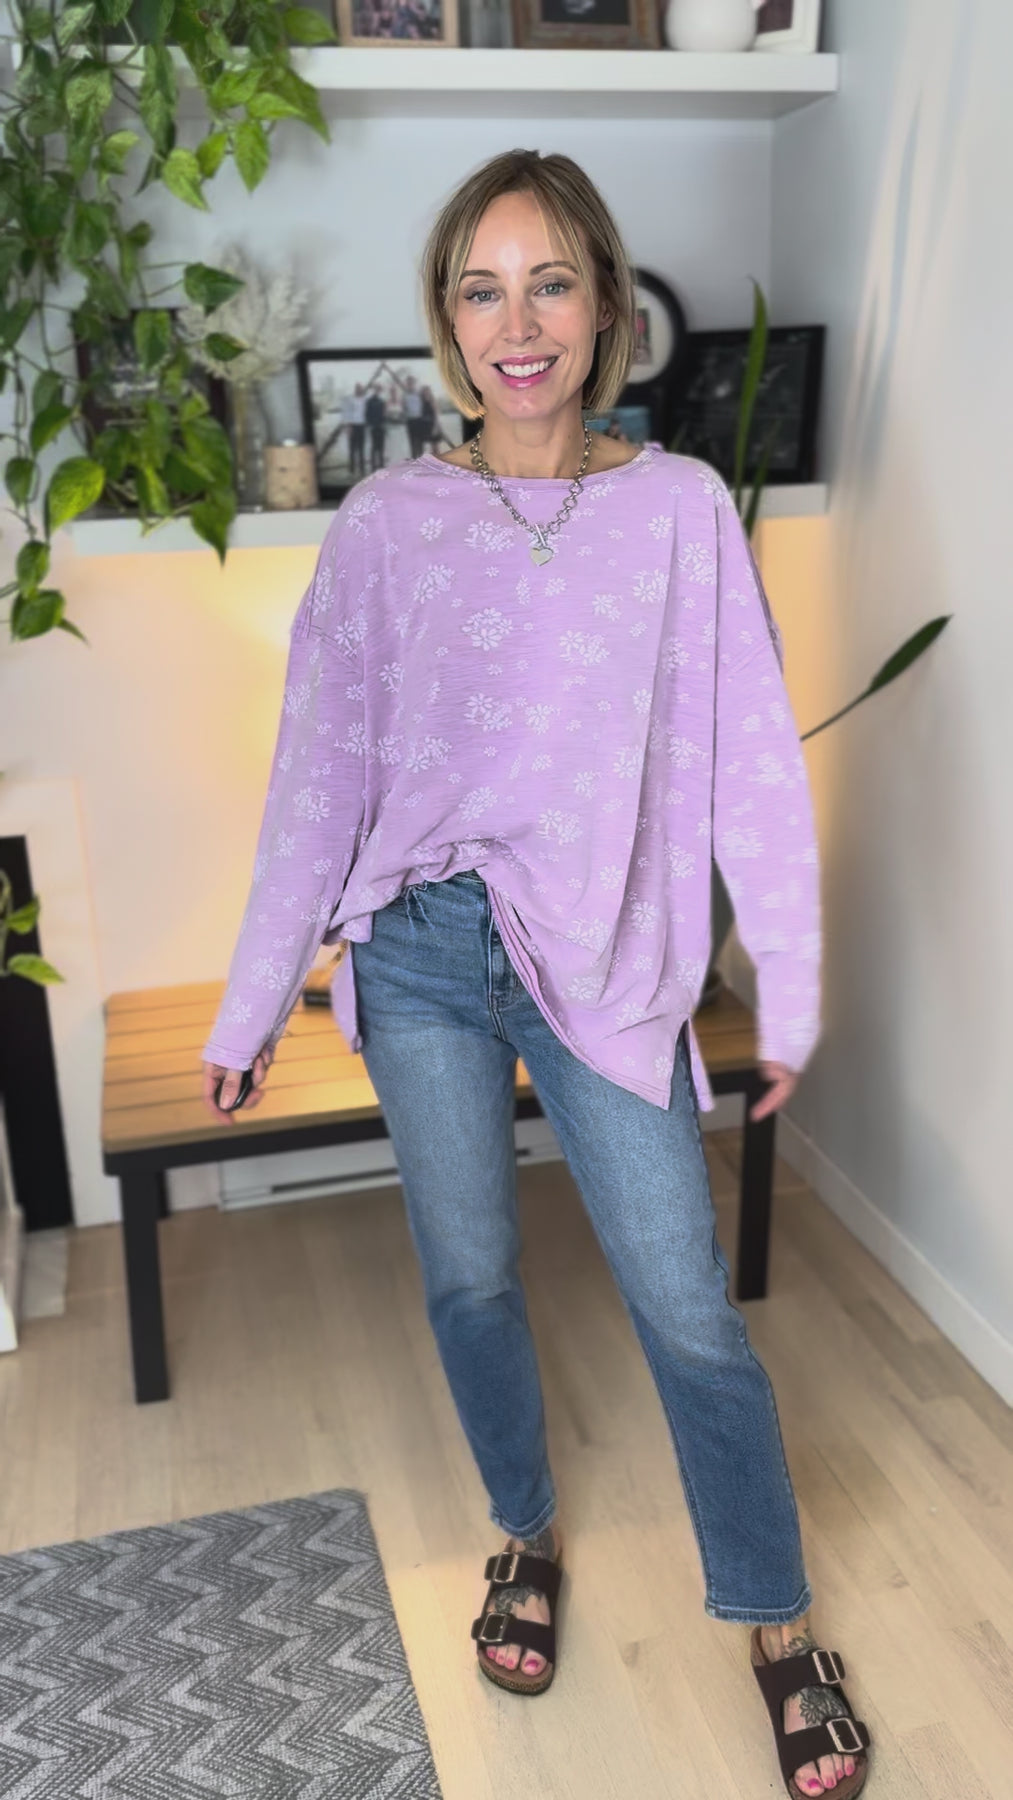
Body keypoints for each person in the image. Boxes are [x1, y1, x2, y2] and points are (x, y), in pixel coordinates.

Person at [201, 150, 870, 1800]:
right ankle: (524, 1532)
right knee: (470, 1279)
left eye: (550, 282)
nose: (519, 324)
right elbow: (317, 778)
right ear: (446, 321)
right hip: (423, 952)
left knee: (685, 1307)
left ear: (606, 305)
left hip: (607, 952)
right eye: (482, 289)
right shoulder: (386, 525)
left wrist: (785, 983)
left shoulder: (679, 513)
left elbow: (746, 763)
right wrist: (252, 995)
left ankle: (777, 1626)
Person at [401, 375, 425, 457]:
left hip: (419, 420)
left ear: (414, 383)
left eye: (411, 383)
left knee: (420, 441)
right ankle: (414, 459)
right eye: (408, 383)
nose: (410, 384)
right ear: (407, 384)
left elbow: (423, 406)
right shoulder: (404, 395)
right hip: (410, 421)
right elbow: (403, 408)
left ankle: (421, 459)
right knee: (412, 442)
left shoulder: (419, 394)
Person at [365, 384, 387, 470]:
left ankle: (381, 464)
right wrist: (370, 424)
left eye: (379, 389)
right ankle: (373, 466)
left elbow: (384, 414)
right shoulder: (370, 401)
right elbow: (367, 414)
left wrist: (383, 423)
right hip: (374, 426)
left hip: (381, 426)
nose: (378, 391)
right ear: (374, 390)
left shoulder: (382, 401)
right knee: (374, 447)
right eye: (377, 389)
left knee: (381, 446)